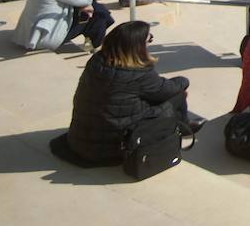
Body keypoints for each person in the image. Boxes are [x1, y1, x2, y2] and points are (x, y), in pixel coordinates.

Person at [67, 20, 194, 164]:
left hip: (81, 140)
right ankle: (183, 128)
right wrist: (183, 80)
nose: (150, 42)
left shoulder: (97, 60)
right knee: (178, 95)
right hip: (115, 148)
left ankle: (181, 126)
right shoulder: (139, 73)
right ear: (138, 47)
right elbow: (169, 89)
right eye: (149, 39)